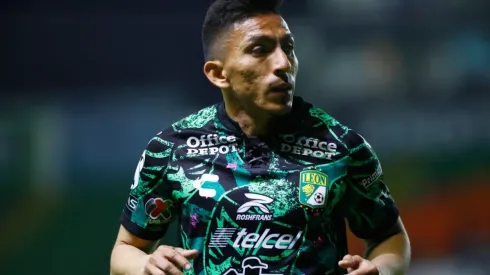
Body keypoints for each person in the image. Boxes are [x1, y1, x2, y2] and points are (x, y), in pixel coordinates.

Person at [109, 0, 411, 274]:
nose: (283, 64)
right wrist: (147, 264)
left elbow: (390, 237)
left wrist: (380, 271)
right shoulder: (171, 150)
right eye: (260, 49)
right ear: (218, 74)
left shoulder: (342, 147)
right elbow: (125, 251)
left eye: (288, 47)